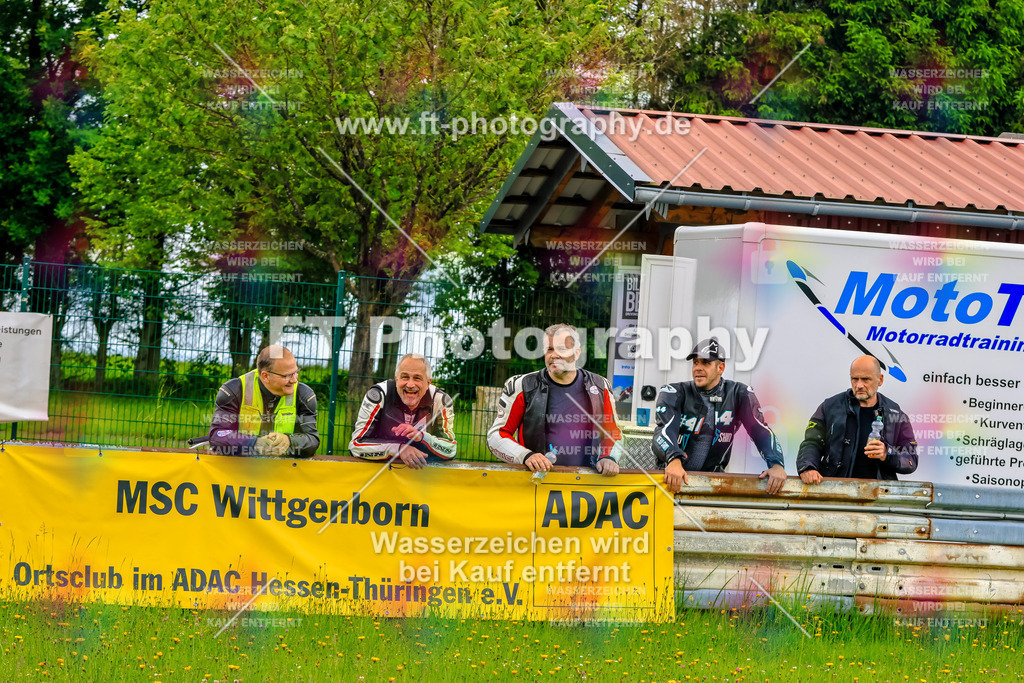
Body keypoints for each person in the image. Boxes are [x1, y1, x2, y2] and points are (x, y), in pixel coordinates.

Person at [652, 338, 787, 494]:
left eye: (706, 363)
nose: (698, 368)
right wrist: (674, 459)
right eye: (695, 363)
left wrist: (776, 464)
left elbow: (760, 430)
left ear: (720, 367)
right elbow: (663, 431)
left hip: (712, 483)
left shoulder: (738, 393)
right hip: (671, 478)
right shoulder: (674, 392)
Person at [487, 323, 621, 476]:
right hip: (534, 483)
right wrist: (525, 456)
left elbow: (614, 433)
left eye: (562, 349)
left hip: (586, 485)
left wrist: (608, 457)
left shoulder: (600, 386)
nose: (554, 355)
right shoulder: (522, 386)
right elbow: (496, 435)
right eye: (549, 349)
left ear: (577, 353)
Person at [797, 355, 918, 484]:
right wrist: (808, 467)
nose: (859, 385)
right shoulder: (830, 407)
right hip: (834, 492)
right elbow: (811, 442)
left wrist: (886, 453)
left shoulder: (896, 414)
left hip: (879, 497)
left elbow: (911, 459)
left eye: (866, 379)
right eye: (855, 379)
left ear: (880, 380)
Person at [207, 345, 320, 457]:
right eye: (287, 375)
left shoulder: (304, 395)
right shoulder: (234, 390)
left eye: (296, 372)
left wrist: (289, 440)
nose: (295, 379)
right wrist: (253, 443)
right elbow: (217, 435)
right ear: (265, 376)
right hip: (241, 468)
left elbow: (312, 440)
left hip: (285, 469)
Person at [348, 354, 457, 467]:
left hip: (425, 476)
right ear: (396, 379)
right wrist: (398, 449)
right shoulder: (378, 395)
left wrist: (422, 437)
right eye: (405, 377)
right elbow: (355, 445)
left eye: (417, 378)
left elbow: (451, 450)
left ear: (428, 383)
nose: (410, 385)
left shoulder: (441, 400)